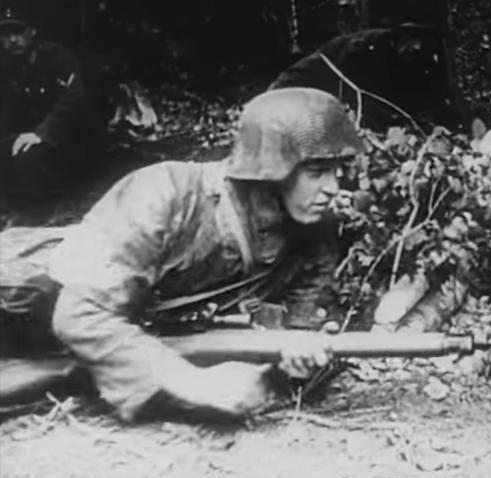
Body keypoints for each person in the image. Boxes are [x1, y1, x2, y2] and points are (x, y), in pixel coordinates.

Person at [43, 87, 364, 421]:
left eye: (336, 170)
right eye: (316, 172)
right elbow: (79, 315)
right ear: (271, 171)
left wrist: (291, 366)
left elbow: (296, 334)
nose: (333, 188)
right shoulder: (163, 195)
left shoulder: (313, 235)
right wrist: (194, 383)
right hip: (25, 304)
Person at [269, 24, 467, 128]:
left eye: (423, 41)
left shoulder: (421, 60)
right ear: (398, 37)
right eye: (412, 39)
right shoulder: (361, 47)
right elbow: (312, 69)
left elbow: (439, 95)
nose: (416, 47)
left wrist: (458, 125)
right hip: (334, 95)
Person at [0, 6, 98, 214]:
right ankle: (13, 208)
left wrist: (42, 134)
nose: (13, 40)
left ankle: (44, 211)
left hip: (66, 139)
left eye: (18, 31)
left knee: (29, 158)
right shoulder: (6, 65)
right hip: (29, 136)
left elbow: (74, 100)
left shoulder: (57, 58)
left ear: (32, 31)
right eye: (6, 34)